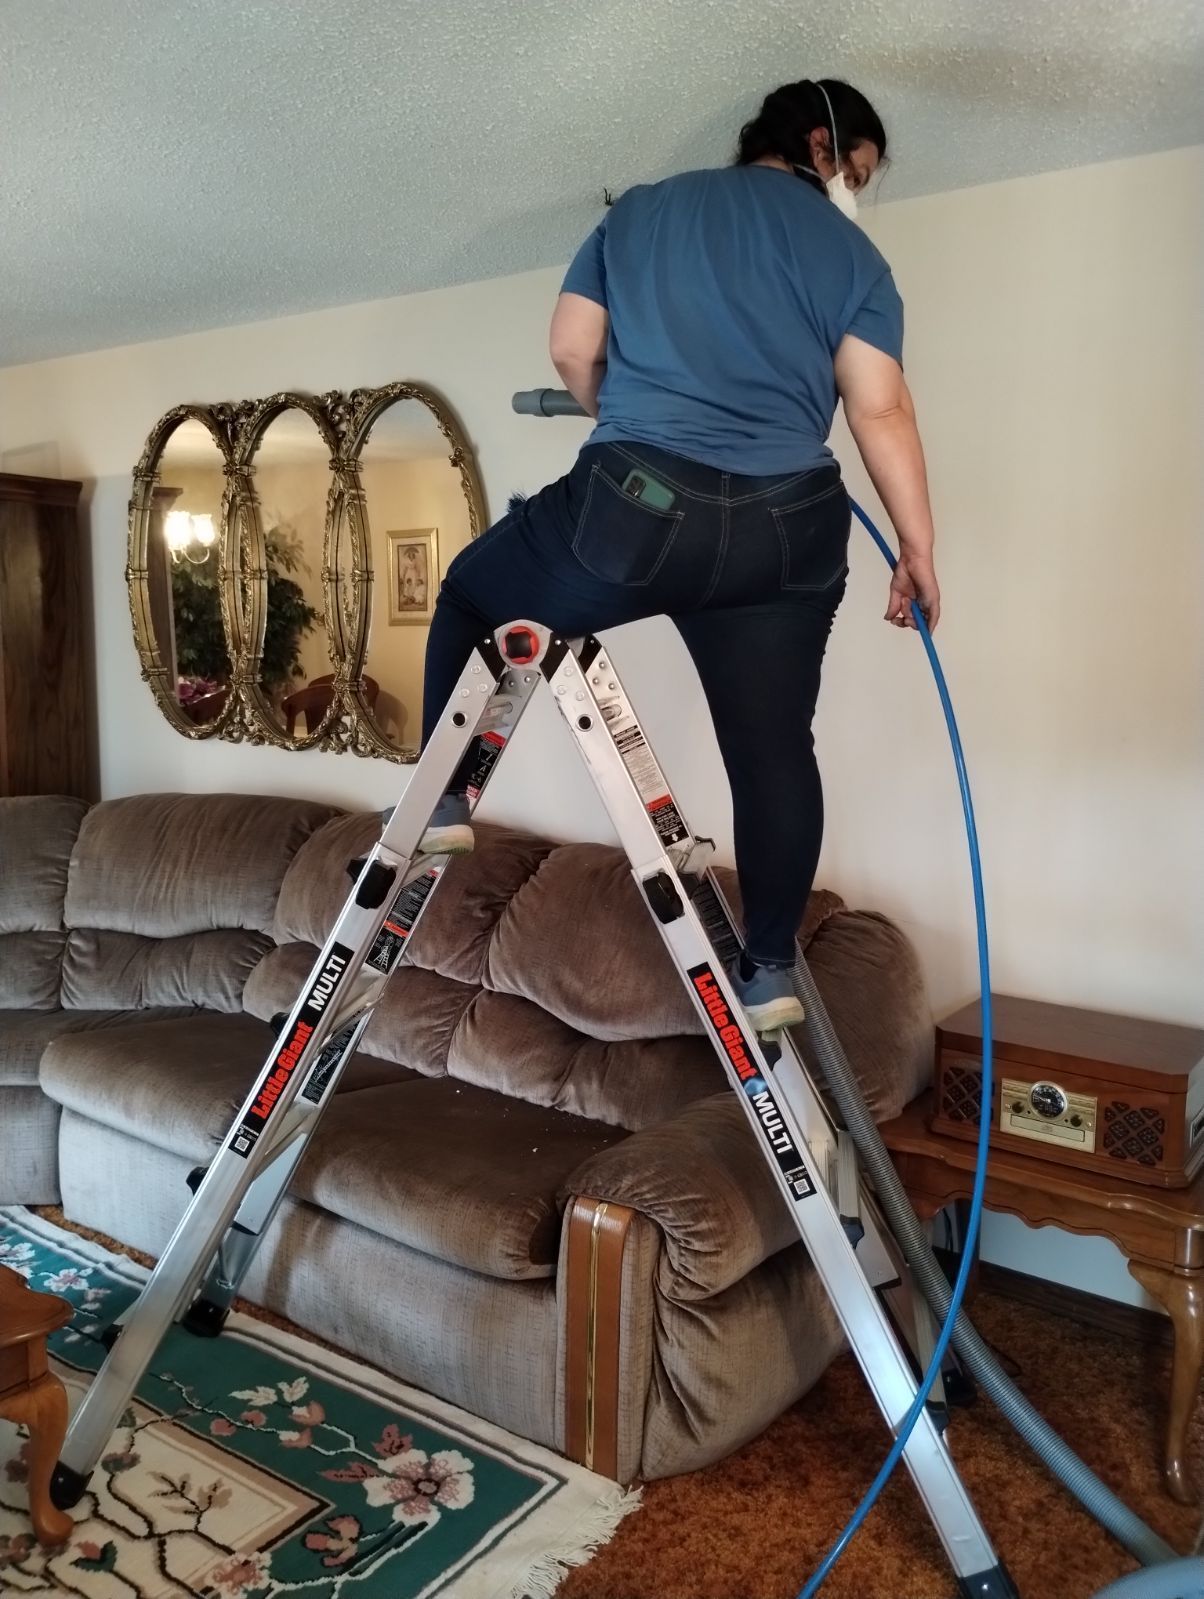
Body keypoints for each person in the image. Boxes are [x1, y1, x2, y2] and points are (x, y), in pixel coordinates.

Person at [412, 77, 940, 1032]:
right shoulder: (852, 254)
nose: (854, 191)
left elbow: (573, 350)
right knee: (774, 749)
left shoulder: (645, 213)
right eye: (854, 171)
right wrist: (917, 550)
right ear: (821, 146)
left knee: (468, 591)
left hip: (638, 506)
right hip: (791, 530)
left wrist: (627, 413)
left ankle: (444, 798)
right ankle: (771, 967)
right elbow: (879, 407)